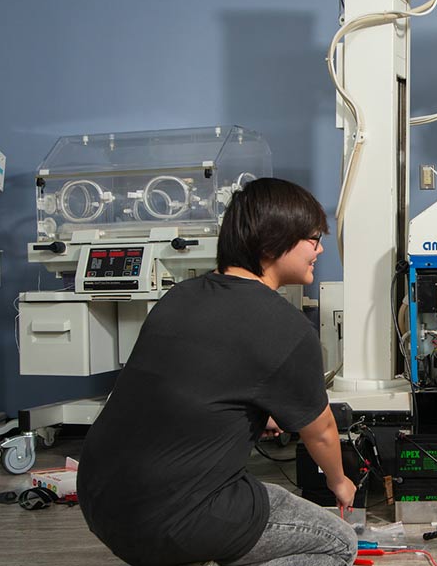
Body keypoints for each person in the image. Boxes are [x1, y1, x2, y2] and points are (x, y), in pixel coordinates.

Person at [77, 177, 357, 566]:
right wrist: (339, 482)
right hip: (172, 519)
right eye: (312, 238)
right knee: (337, 543)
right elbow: (322, 432)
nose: (320, 248)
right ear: (273, 242)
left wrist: (259, 415)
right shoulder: (286, 329)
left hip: (99, 499)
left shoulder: (179, 297)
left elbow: (188, 391)